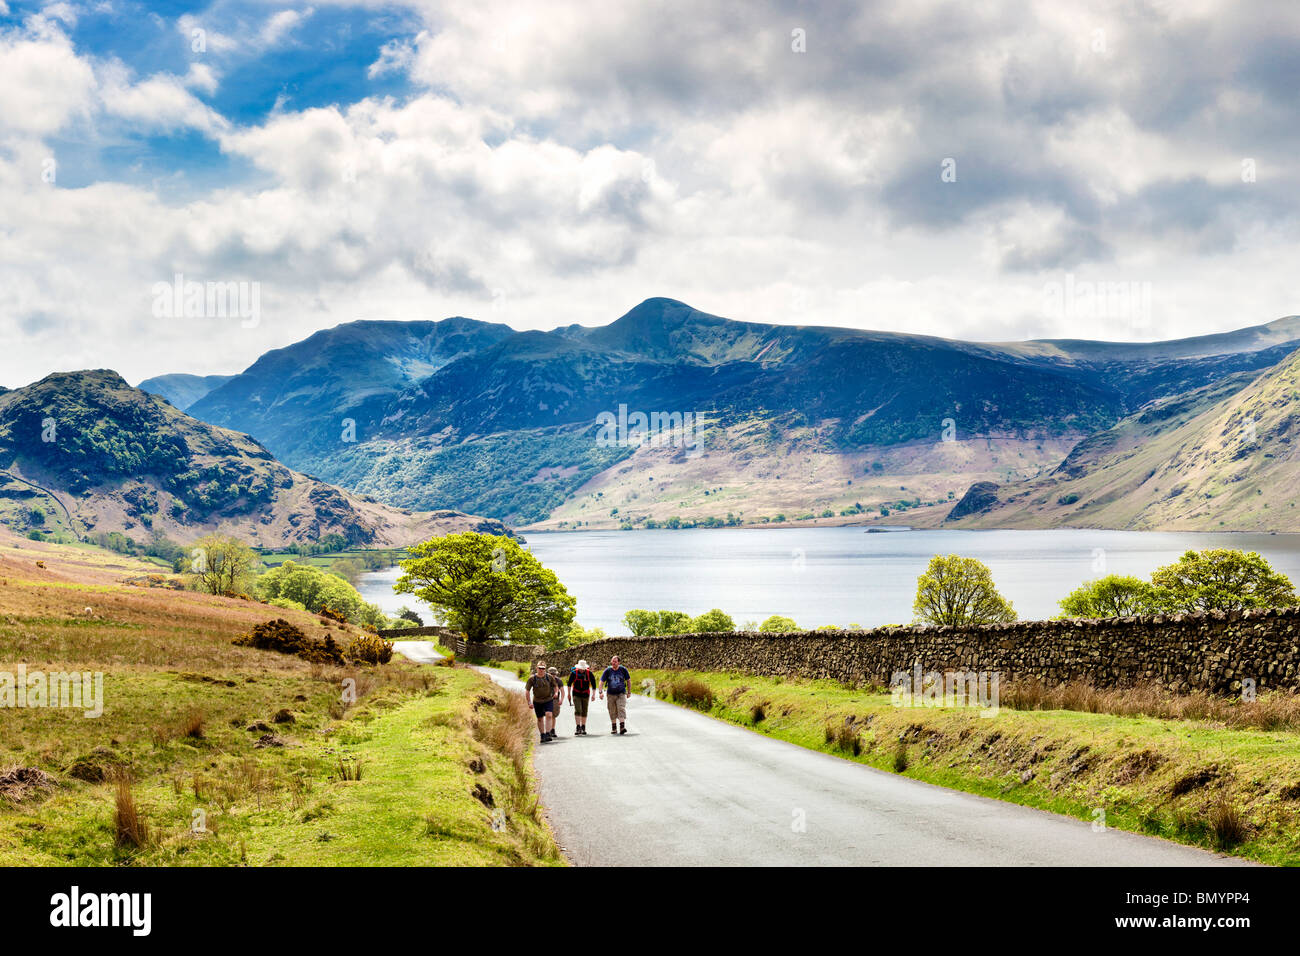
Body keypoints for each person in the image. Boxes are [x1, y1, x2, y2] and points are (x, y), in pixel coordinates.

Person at [525, 661, 557, 742]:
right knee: (540, 718)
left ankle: (547, 733)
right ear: (537, 668)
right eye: (540, 668)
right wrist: (529, 702)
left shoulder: (549, 677)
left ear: (545, 669)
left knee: (549, 715)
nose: (541, 670)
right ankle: (542, 735)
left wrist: (556, 693)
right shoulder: (532, 678)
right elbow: (527, 691)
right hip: (537, 701)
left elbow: (555, 686)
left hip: (548, 699)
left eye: (543, 668)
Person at [599, 655, 632, 735]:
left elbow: (628, 680)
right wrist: (600, 692)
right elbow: (601, 681)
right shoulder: (608, 670)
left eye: (615, 661)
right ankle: (614, 728)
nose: (613, 663)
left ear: (618, 662)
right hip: (610, 694)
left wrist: (629, 692)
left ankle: (622, 727)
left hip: (621, 693)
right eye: (612, 661)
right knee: (612, 710)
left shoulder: (623, 670)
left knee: (621, 708)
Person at [567, 659, 597, 735]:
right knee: (578, 710)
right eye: (580, 668)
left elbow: (594, 684)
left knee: (584, 710)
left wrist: (594, 694)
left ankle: (583, 727)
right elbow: (569, 684)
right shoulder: (574, 673)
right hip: (576, 694)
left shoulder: (589, 673)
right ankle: (578, 727)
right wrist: (569, 694)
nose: (581, 670)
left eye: (583, 668)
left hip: (585, 694)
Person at [547, 666, 565, 737]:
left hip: (555, 700)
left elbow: (563, 691)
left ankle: (552, 730)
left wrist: (561, 700)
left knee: (554, 715)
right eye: (551, 674)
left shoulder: (558, 681)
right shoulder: (545, 680)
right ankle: (548, 731)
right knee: (548, 715)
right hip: (546, 699)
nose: (553, 675)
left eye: (554, 674)